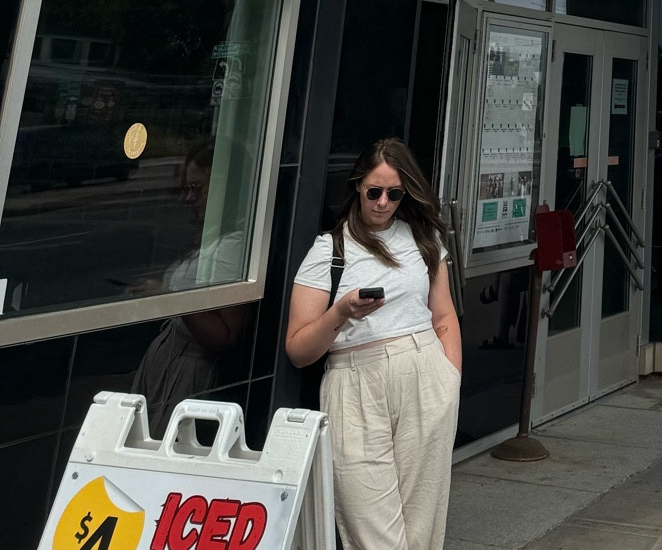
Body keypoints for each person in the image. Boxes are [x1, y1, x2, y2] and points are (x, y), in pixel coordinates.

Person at [287, 138, 462, 550]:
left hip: (424, 372)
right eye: (374, 192)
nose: (383, 202)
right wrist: (340, 313)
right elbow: (297, 350)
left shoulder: (423, 239)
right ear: (357, 187)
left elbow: (444, 316)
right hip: (355, 381)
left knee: (422, 528)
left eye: (394, 193)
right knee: (372, 531)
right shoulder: (329, 251)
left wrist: (450, 379)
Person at [133, 142, 249, 431]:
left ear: (224, 189)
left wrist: (170, 298)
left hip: (188, 370)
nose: (188, 198)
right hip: (168, 360)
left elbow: (225, 336)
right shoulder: (210, 237)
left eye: (196, 189)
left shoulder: (231, 247)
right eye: (184, 189)